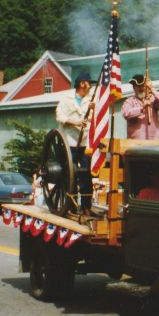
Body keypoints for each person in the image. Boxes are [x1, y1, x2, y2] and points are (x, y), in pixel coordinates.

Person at [56, 72, 95, 215]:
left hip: (84, 142)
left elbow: (91, 119)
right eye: (89, 83)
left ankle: (86, 207)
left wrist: (92, 112)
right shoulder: (66, 99)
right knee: (69, 175)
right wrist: (75, 122)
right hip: (69, 143)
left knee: (86, 175)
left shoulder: (90, 101)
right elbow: (59, 116)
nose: (90, 86)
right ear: (82, 83)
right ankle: (70, 206)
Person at [121, 74, 159, 140]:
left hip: (153, 141)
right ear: (134, 88)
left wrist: (152, 89)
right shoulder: (129, 101)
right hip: (135, 142)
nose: (141, 88)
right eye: (138, 86)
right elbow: (126, 114)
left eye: (142, 86)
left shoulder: (153, 100)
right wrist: (142, 108)